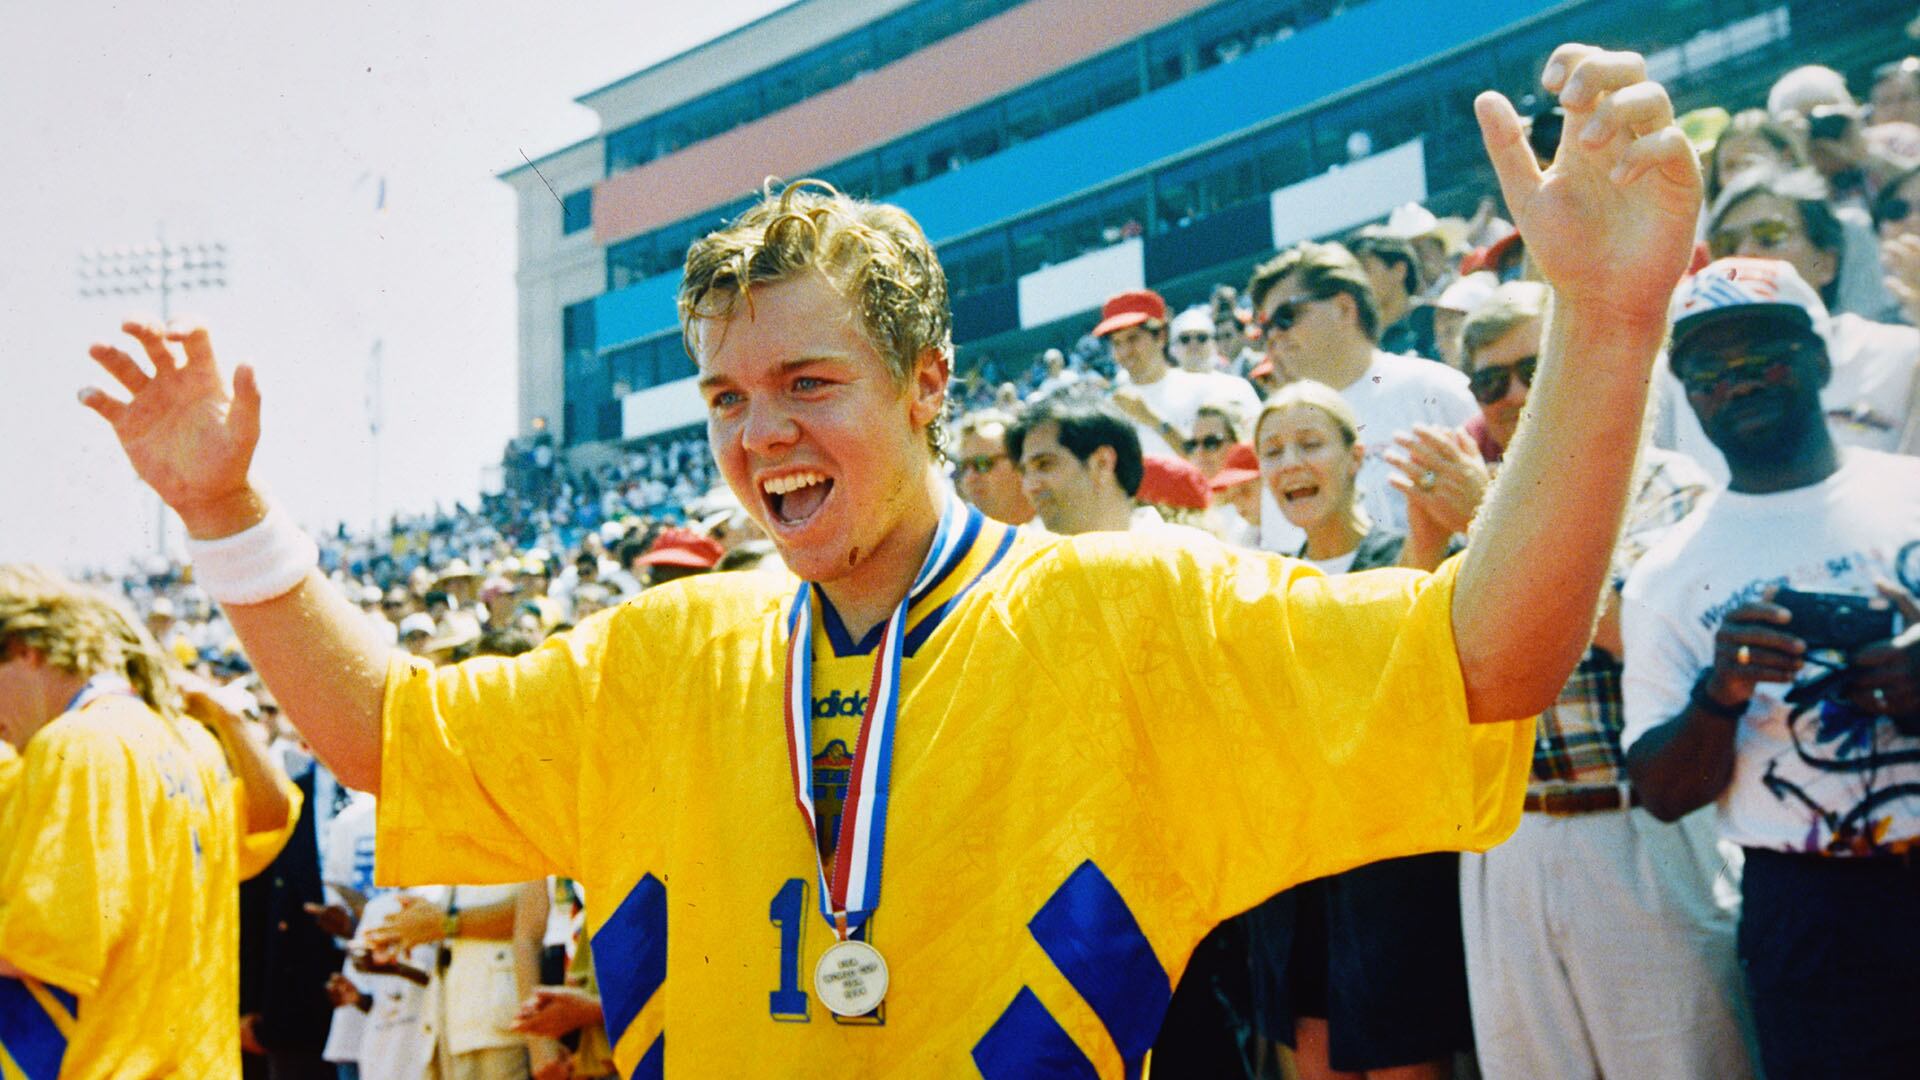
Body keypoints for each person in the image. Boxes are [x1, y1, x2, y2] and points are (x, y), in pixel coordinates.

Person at [80, 45, 1703, 1075]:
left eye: (809, 382)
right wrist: (229, 518)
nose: (762, 436)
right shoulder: (665, 654)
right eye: (728, 398)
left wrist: (1608, 321)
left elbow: (1485, 660)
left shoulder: (1130, 608)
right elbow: (389, 735)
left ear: (928, 385)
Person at [1442, 281, 1754, 1079]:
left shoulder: (1665, 483)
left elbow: (1642, 637)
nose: (1514, 394)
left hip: (1637, 824)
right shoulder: (1472, 497)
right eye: (1490, 381)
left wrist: (1496, 525)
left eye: (1533, 367)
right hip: (1508, 845)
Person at [1622, 256, 1920, 1078]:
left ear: (1819, 359)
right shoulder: (1667, 573)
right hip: (1811, 914)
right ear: (1689, 395)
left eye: (1764, 357)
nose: (1739, 382)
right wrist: (1721, 694)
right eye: (1709, 372)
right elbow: (1662, 792)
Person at [1242, 381, 1469, 1079]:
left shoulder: (1417, 551)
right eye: (1273, 451)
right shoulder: (1261, 585)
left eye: (1310, 444)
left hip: (1395, 873)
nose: (1290, 463)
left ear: (1355, 457)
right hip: (1298, 876)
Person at [0, 565, 299, 1077]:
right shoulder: (190, 741)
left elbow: (42, 947)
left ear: (26, 651)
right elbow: (267, 828)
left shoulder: (74, 743)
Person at [1247, 240, 1478, 541]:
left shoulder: (1433, 388)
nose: (1274, 336)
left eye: (1285, 317)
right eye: (1266, 327)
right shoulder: (1279, 429)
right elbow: (1284, 549)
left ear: (1344, 308)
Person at [1094, 287, 1260, 456]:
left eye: (1133, 339)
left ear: (1161, 336)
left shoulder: (1216, 388)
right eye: (1116, 343)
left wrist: (1152, 420)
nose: (1125, 352)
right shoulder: (1107, 412)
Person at [1006, 397, 1143, 536]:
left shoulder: (1156, 545)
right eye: (1024, 472)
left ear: (1102, 464)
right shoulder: (1024, 546)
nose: (1028, 487)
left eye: (1044, 464)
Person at [951, 409, 1036, 526]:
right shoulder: (964, 534)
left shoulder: (1057, 529)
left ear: (1021, 464)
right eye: (964, 467)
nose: (969, 478)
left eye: (982, 464)